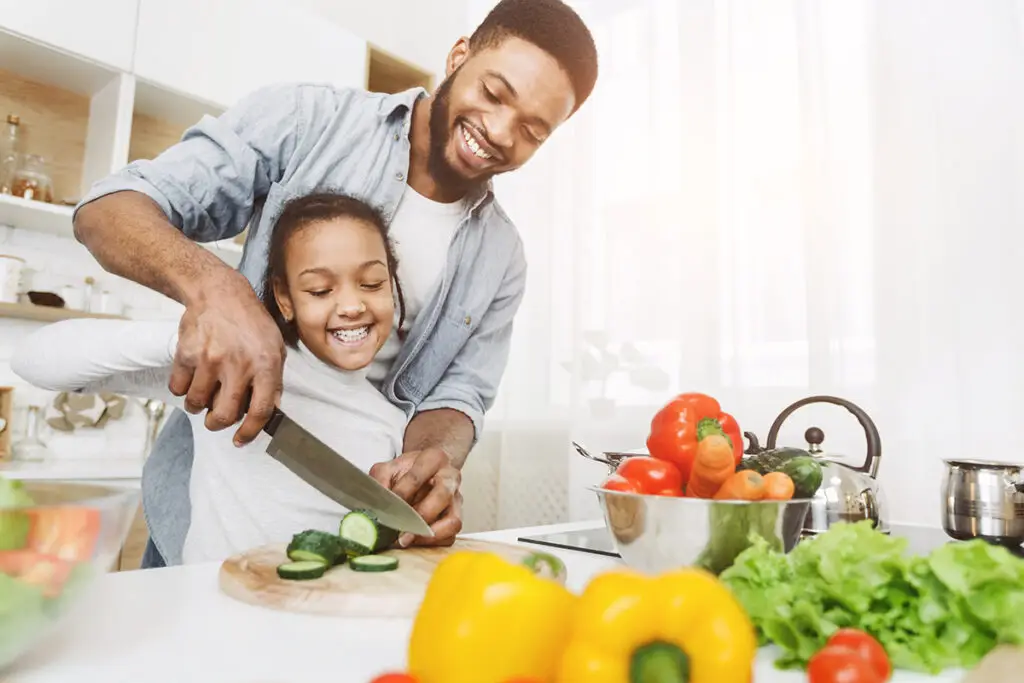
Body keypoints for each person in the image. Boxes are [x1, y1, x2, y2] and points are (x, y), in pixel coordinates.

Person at [69, 0, 599, 567]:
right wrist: (218, 290)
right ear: (458, 56)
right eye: (493, 93)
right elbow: (107, 211)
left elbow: (458, 393)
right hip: (211, 505)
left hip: (356, 532)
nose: (498, 131)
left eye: (532, 131)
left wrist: (433, 461)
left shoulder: (502, 256)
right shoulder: (307, 121)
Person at [13, 194, 412, 563]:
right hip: (210, 605)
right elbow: (33, 360)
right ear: (285, 299)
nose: (351, 306)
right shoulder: (228, 371)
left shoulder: (393, 422)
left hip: (322, 609)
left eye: (372, 284)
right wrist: (186, 344)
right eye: (320, 290)